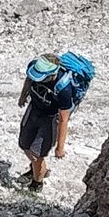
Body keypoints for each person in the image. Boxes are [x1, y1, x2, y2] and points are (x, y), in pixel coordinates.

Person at [18, 53, 77, 190]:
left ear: (51, 74)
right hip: (33, 110)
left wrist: (60, 147)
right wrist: (23, 96)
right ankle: (37, 169)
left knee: (37, 155)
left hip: (50, 120)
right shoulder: (34, 66)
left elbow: (63, 119)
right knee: (24, 144)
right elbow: (29, 79)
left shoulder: (63, 89)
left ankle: (37, 183)